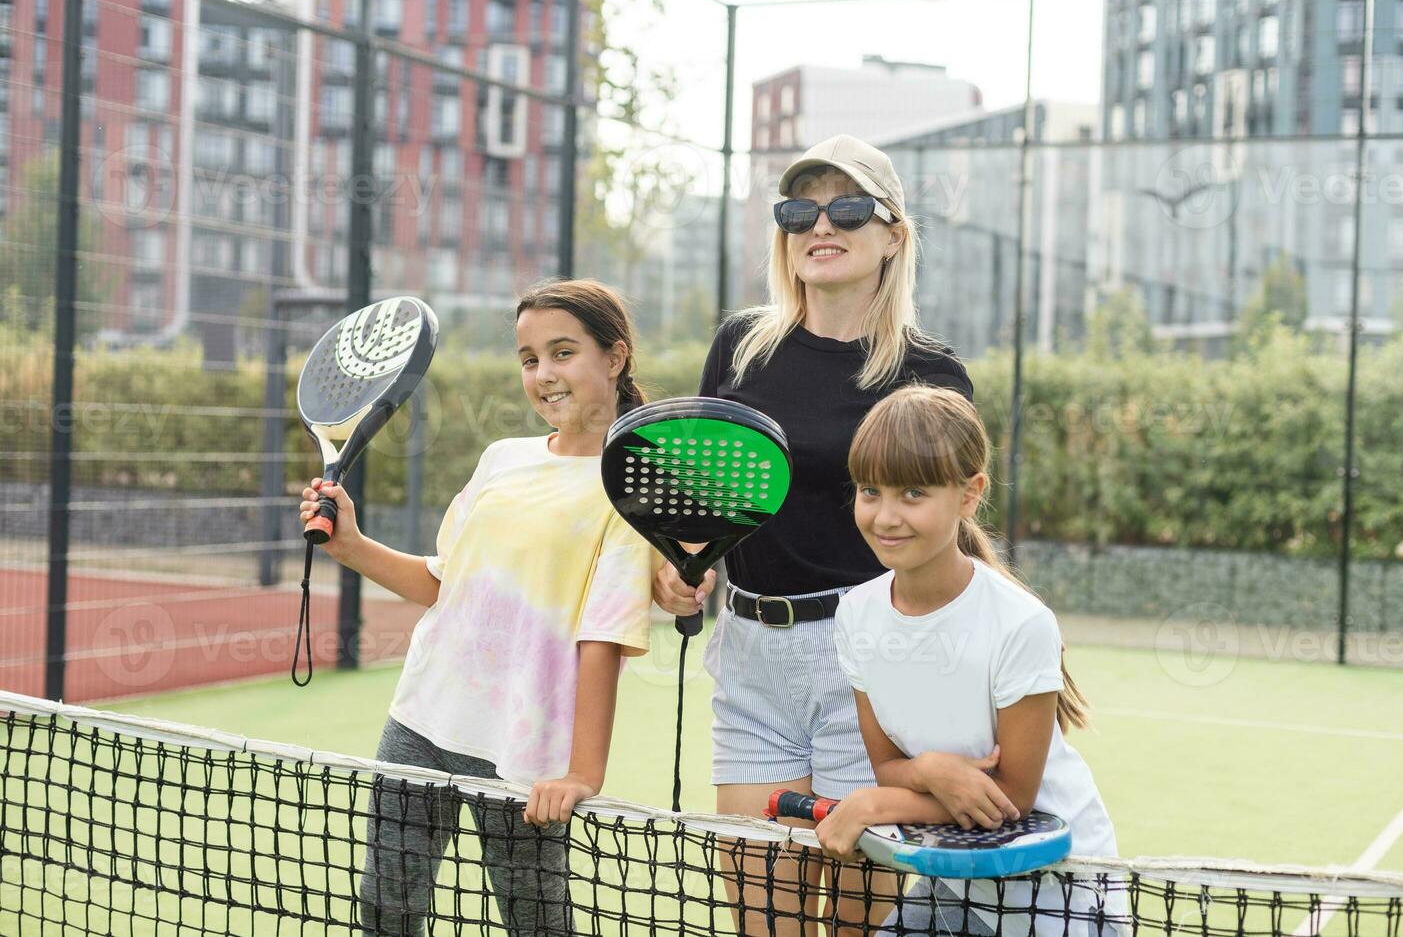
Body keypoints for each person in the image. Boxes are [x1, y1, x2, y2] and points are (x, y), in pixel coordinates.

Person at [654, 134, 974, 934]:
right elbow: (705, 505)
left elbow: (947, 537)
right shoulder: (741, 346)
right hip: (751, 661)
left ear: (893, 234)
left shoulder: (930, 374)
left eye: (848, 207)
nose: (819, 225)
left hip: (873, 669)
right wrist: (682, 575)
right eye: (799, 208)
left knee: (856, 928)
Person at [298, 279, 659, 936]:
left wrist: (581, 772)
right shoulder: (502, 460)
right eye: (528, 359)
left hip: (522, 751)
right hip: (421, 720)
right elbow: (445, 584)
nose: (543, 374)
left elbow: (603, 634)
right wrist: (350, 545)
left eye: (561, 352)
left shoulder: (629, 486)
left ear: (614, 357)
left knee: (537, 924)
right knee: (386, 913)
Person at [819, 384, 1119, 937]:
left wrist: (873, 806)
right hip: (958, 882)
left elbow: (1011, 801)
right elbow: (889, 765)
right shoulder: (855, 615)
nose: (885, 516)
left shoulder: (1021, 624)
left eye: (913, 493)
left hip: (1063, 898)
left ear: (969, 494)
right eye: (870, 490)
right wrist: (928, 770)